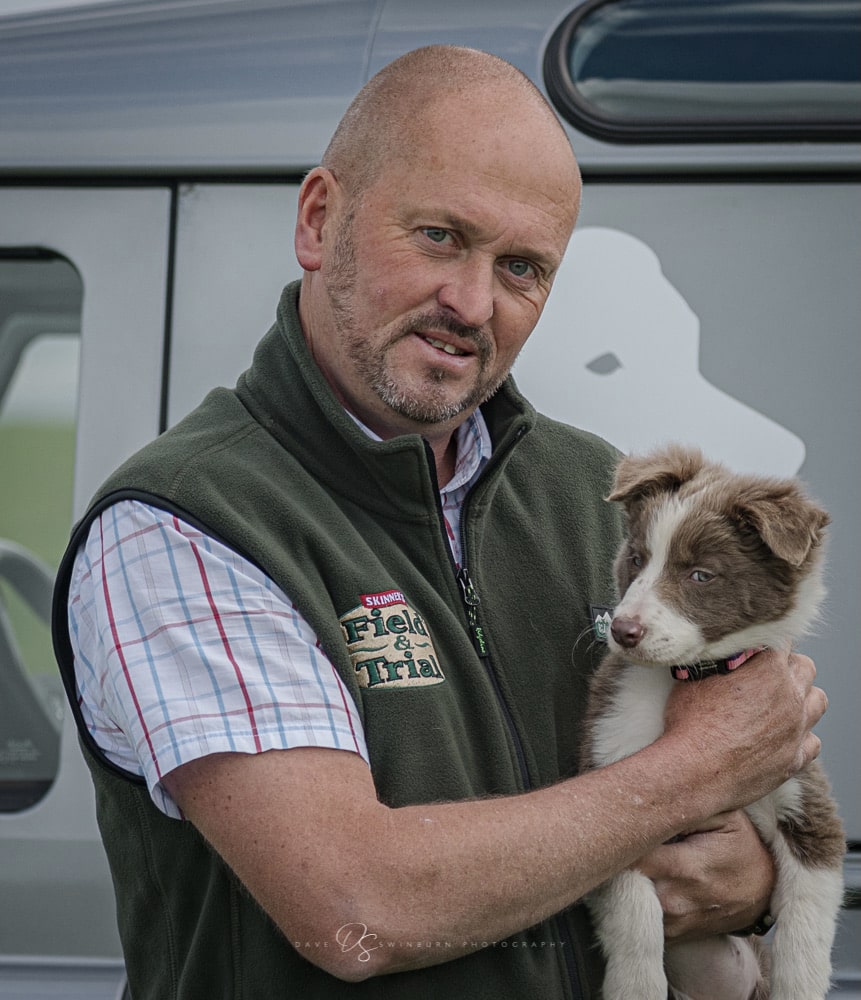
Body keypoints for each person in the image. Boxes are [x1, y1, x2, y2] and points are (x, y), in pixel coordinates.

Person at [52, 45, 827, 999]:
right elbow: (356, 906)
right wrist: (694, 772)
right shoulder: (186, 523)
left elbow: (736, 817)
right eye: (437, 236)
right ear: (318, 219)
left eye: (521, 267)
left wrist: (748, 880)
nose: (471, 302)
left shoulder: (594, 491)